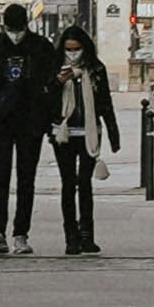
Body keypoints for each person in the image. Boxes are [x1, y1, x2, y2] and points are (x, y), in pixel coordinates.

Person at [0, 0, 65, 251]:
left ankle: (20, 233)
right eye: (13, 29)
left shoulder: (38, 47)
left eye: (17, 29)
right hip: (3, 121)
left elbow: (51, 87)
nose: (15, 35)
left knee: (24, 178)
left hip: (29, 120)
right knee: (2, 177)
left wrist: (52, 119)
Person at [53, 23, 120, 254]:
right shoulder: (55, 67)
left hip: (89, 131)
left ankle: (87, 234)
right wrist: (58, 82)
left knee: (84, 183)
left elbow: (105, 102)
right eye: (68, 49)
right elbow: (44, 98)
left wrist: (113, 133)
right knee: (68, 183)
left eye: (77, 49)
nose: (73, 54)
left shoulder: (95, 69)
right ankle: (70, 236)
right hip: (63, 132)